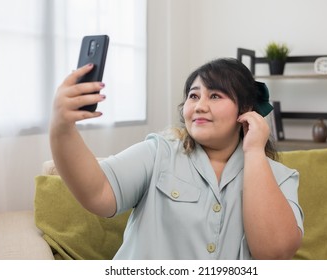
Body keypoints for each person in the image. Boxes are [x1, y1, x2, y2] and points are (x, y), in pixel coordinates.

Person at [50, 58, 304, 260]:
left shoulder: (280, 177)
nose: (200, 105)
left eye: (215, 96)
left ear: (246, 110)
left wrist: (254, 152)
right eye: (194, 96)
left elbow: (274, 253)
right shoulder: (158, 152)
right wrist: (62, 128)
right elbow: (99, 193)